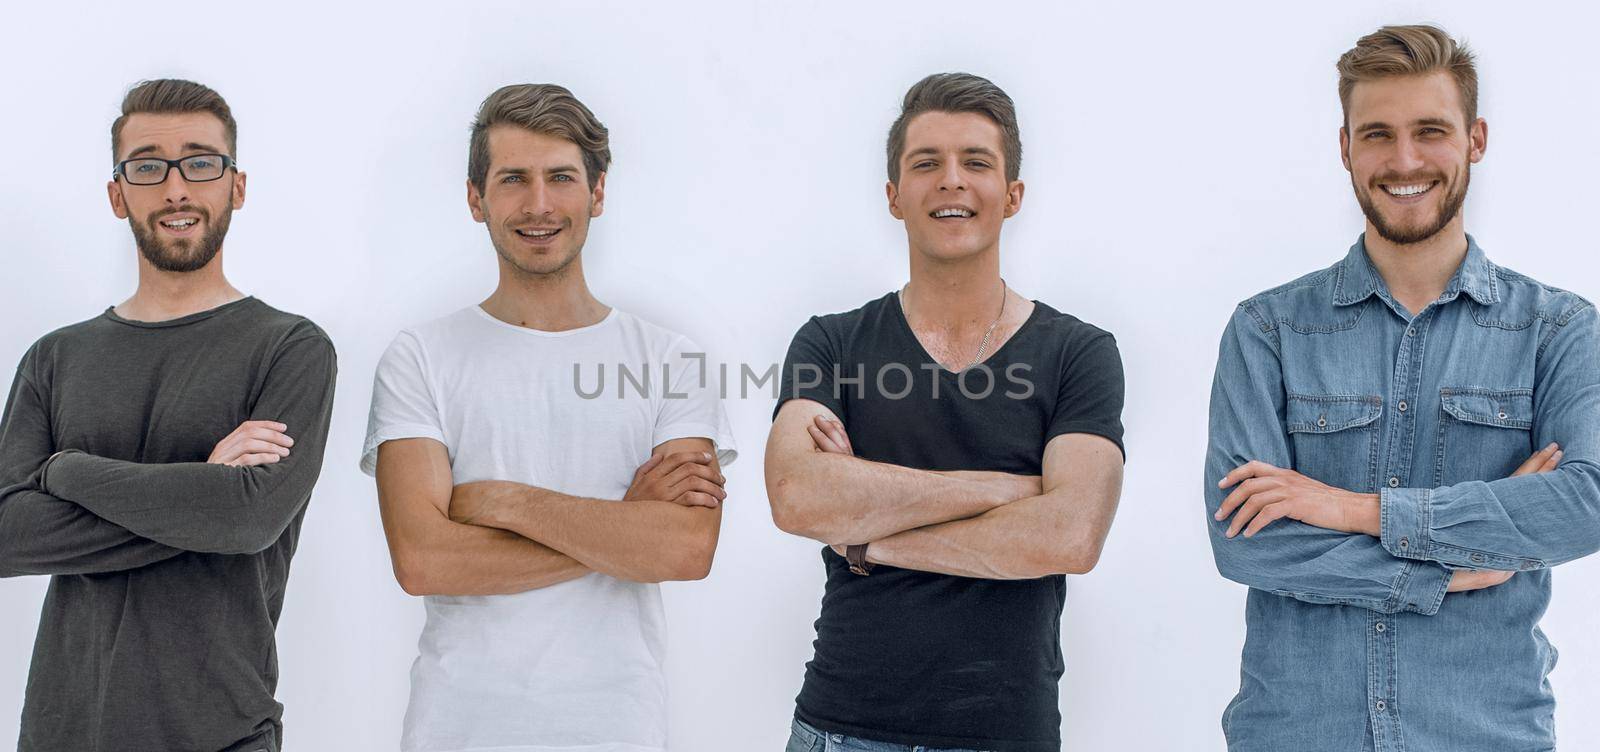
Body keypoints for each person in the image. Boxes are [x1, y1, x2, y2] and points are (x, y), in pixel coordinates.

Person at [1204, 25, 1600, 752]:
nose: (1405, 160)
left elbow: (1585, 505)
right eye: (1378, 134)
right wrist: (1453, 570)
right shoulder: (1268, 330)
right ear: (1346, 147)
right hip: (1298, 735)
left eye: (1431, 131)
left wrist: (1352, 510)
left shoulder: (1559, 329)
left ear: (1476, 139)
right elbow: (1247, 543)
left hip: (1485, 735)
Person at [362, 83, 737, 752]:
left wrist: (503, 500)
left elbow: (682, 549)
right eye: (513, 179)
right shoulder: (421, 356)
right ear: (476, 198)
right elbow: (422, 558)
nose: (539, 205)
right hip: (457, 729)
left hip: (617, 729)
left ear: (597, 193)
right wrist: (621, 525)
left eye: (561, 177)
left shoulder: (671, 359)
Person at [767, 72, 1126, 752]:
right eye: (926, 163)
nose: (951, 181)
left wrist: (871, 539)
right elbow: (796, 496)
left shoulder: (1079, 353)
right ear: (894, 197)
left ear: (1012, 196)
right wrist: (1002, 493)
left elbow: (1071, 536)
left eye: (976, 163)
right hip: (841, 729)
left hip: (1004, 733)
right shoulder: (831, 343)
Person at [0, 78, 337, 752]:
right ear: (118, 193)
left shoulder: (291, 349)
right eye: (148, 166)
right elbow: (8, 535)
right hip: (65, 731)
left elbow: (245, 519)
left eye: (200, 162)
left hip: (220, 734)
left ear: (235, 186)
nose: (176, 188)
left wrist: (65, 471)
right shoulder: (54, 358)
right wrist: (201, 487)